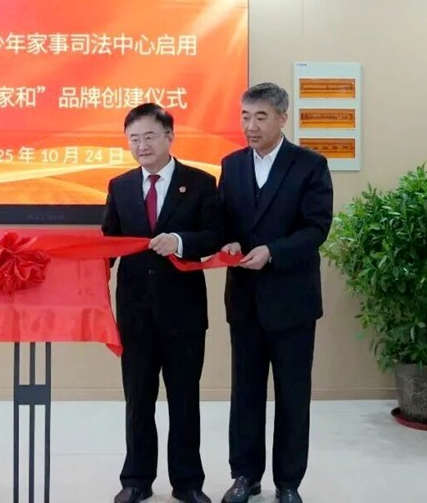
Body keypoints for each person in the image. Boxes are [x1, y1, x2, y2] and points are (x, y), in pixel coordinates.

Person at [102, 103, 224, 503]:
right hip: (135, 312)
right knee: (138, 399)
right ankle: (136, 479)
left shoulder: (200, 182)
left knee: (184, 399)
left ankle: (188, 482)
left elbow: (215, 234)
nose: (142, 146)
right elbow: (108, 244)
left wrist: (181, 242)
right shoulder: (120, 186)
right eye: (134, 139)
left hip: (183, 312)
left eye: (149, 136)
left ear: (170, 136)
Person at [218, 83, 333, 503]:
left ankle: (288, 482)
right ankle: (244, 476)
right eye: (245, 116)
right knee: (245, 393)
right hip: (245, 300)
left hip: (292, 301)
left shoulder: (310, 165)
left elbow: (316, 228)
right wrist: (228, 241)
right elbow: (223, 220)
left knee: (292, 395)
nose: (251, 126)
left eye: (260, 117)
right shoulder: (231, 165)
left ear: (283, 118)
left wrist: (273, 251)